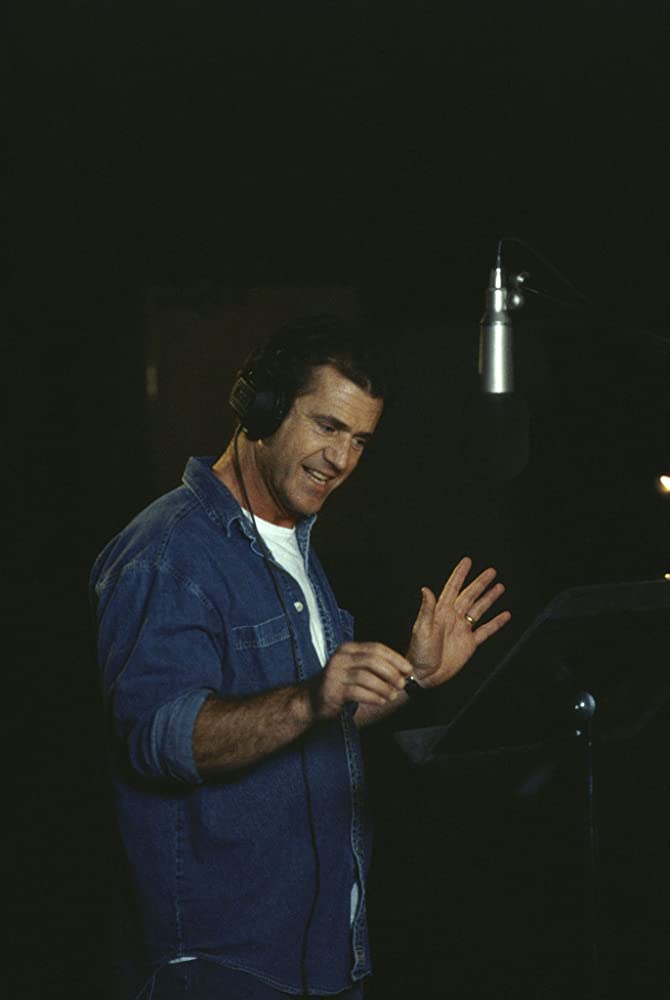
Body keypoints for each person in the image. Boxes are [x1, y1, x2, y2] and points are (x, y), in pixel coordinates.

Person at [90, 316, 510, 1000]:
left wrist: (415, 676)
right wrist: (311, 696)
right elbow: (158, 740)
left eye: (359, 440)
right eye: (327, 426)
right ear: (262, 409)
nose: (340, 459)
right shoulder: (167, 553)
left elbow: (318, 718)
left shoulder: (295, 544)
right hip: (222, 970)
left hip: (324, 957)